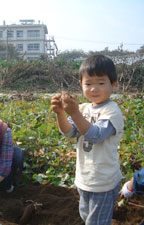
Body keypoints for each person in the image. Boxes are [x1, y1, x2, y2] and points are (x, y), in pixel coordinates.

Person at [51, 54, 124, 225]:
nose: (93, 89)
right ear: (81, 85)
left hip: (104, 182)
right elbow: (69, 132)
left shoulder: (112, 112)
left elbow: (96, 135)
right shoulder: (83, 108)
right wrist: (60, 114)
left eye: (101, 83)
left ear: (113, 83)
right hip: (84, 179)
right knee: (85, 216)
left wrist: (74, 113)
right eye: (88, 84)